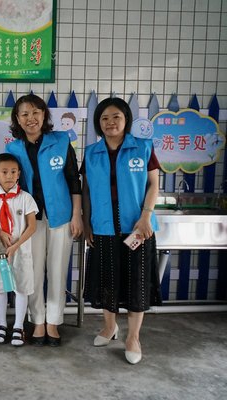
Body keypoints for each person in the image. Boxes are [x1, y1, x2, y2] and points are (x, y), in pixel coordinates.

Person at [82, 97, 162, 365]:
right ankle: (109, 327)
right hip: (103, 227)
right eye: (104, 118)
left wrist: (146, 216)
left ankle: (133, 338)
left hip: (138, 228)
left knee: (137, 282)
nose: (110, 122)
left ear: (126, 119)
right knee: (107, 280)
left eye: (116, 116)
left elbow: (153, 185)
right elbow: (86, 190)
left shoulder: (143, 147)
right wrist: (87, 222)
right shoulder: (91, 152)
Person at [6, 94, 83, 346]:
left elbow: (73, 179)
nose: (31, 118)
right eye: (25, 114)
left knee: (58, 270)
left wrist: (77, 215)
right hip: (30, 220)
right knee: (34, 271)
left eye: (36, 112)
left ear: (44, 115)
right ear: (18, 119)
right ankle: (38, 321)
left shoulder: (61, 141)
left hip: (61, 216)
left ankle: (53, 322)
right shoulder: (13, 149)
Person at [0, 153, 38, 346]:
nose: (9, 176)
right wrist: (0, 232)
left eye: (13, 172)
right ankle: (1, 324)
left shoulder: (26, 198)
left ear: (19, 174)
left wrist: (17, 245)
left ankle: (18, 326)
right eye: (4, 172)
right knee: (0, 288)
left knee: (21, 288)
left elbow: (32, 226)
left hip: (21, 251)